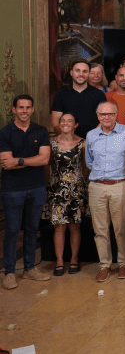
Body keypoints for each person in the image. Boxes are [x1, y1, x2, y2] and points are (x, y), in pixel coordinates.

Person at [1, 95, 52, 289]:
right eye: (20, 107)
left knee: (32, 229)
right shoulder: (5, 133)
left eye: (28, 107)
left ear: (32, 110)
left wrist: (19, 161)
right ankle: (9, 272)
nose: (24, 111)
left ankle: (29, 268)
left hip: (37, 187)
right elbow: (7, 163)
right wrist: (31, 160)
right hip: (12, 189)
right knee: (12, 231)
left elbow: (44, 159)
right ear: (13, 109)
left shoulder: (40, 131)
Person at [85, 101, 125, 282]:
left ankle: (123, 263)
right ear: (97, 116)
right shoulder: (91, 135)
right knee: (100, 230)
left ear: (116, 115)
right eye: (102, 114)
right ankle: (104, 265)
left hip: (120, 186)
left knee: (121, 229)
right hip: (97, 187)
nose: (106, 117)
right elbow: (89, 161)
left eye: (110, 114)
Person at [43, 112, 87, 277]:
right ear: (59, 124)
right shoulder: (51, 142)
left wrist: (79, 182)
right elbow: (48, 165)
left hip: (76, 189)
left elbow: (86, 166)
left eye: (70, 121)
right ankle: (60, 261)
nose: (66, 123)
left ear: (76, 124)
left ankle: (74, 259)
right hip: (57, 189)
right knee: (59, 226)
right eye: (63, 120)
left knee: (75, 226)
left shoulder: (83, 143)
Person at [51, 59, 108, 138]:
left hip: (93, 141)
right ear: (71, 73)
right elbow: (55, 123)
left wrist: (92, 139)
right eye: (77, 71)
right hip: (68, 141)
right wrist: (68, 139)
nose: (81, 74)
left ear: (88, 74)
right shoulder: (61, 94)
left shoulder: (99, 95)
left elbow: (104, 120)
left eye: (84, 71)